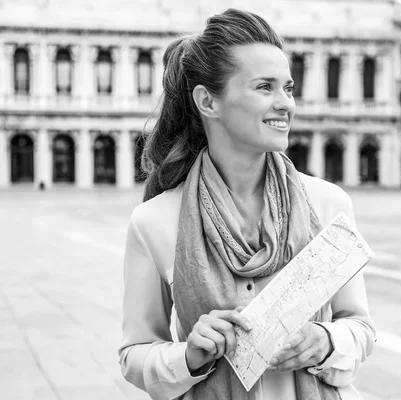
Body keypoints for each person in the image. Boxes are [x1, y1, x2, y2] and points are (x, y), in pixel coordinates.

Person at [118, 8, 375, 400]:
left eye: (288, 88)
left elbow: (359, 328)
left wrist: (325, 340)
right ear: (208, 102)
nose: (286, 104)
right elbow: (134, 356)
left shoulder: (327, 203)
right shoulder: (154, 221)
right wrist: (188, 356)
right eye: (264, 87)